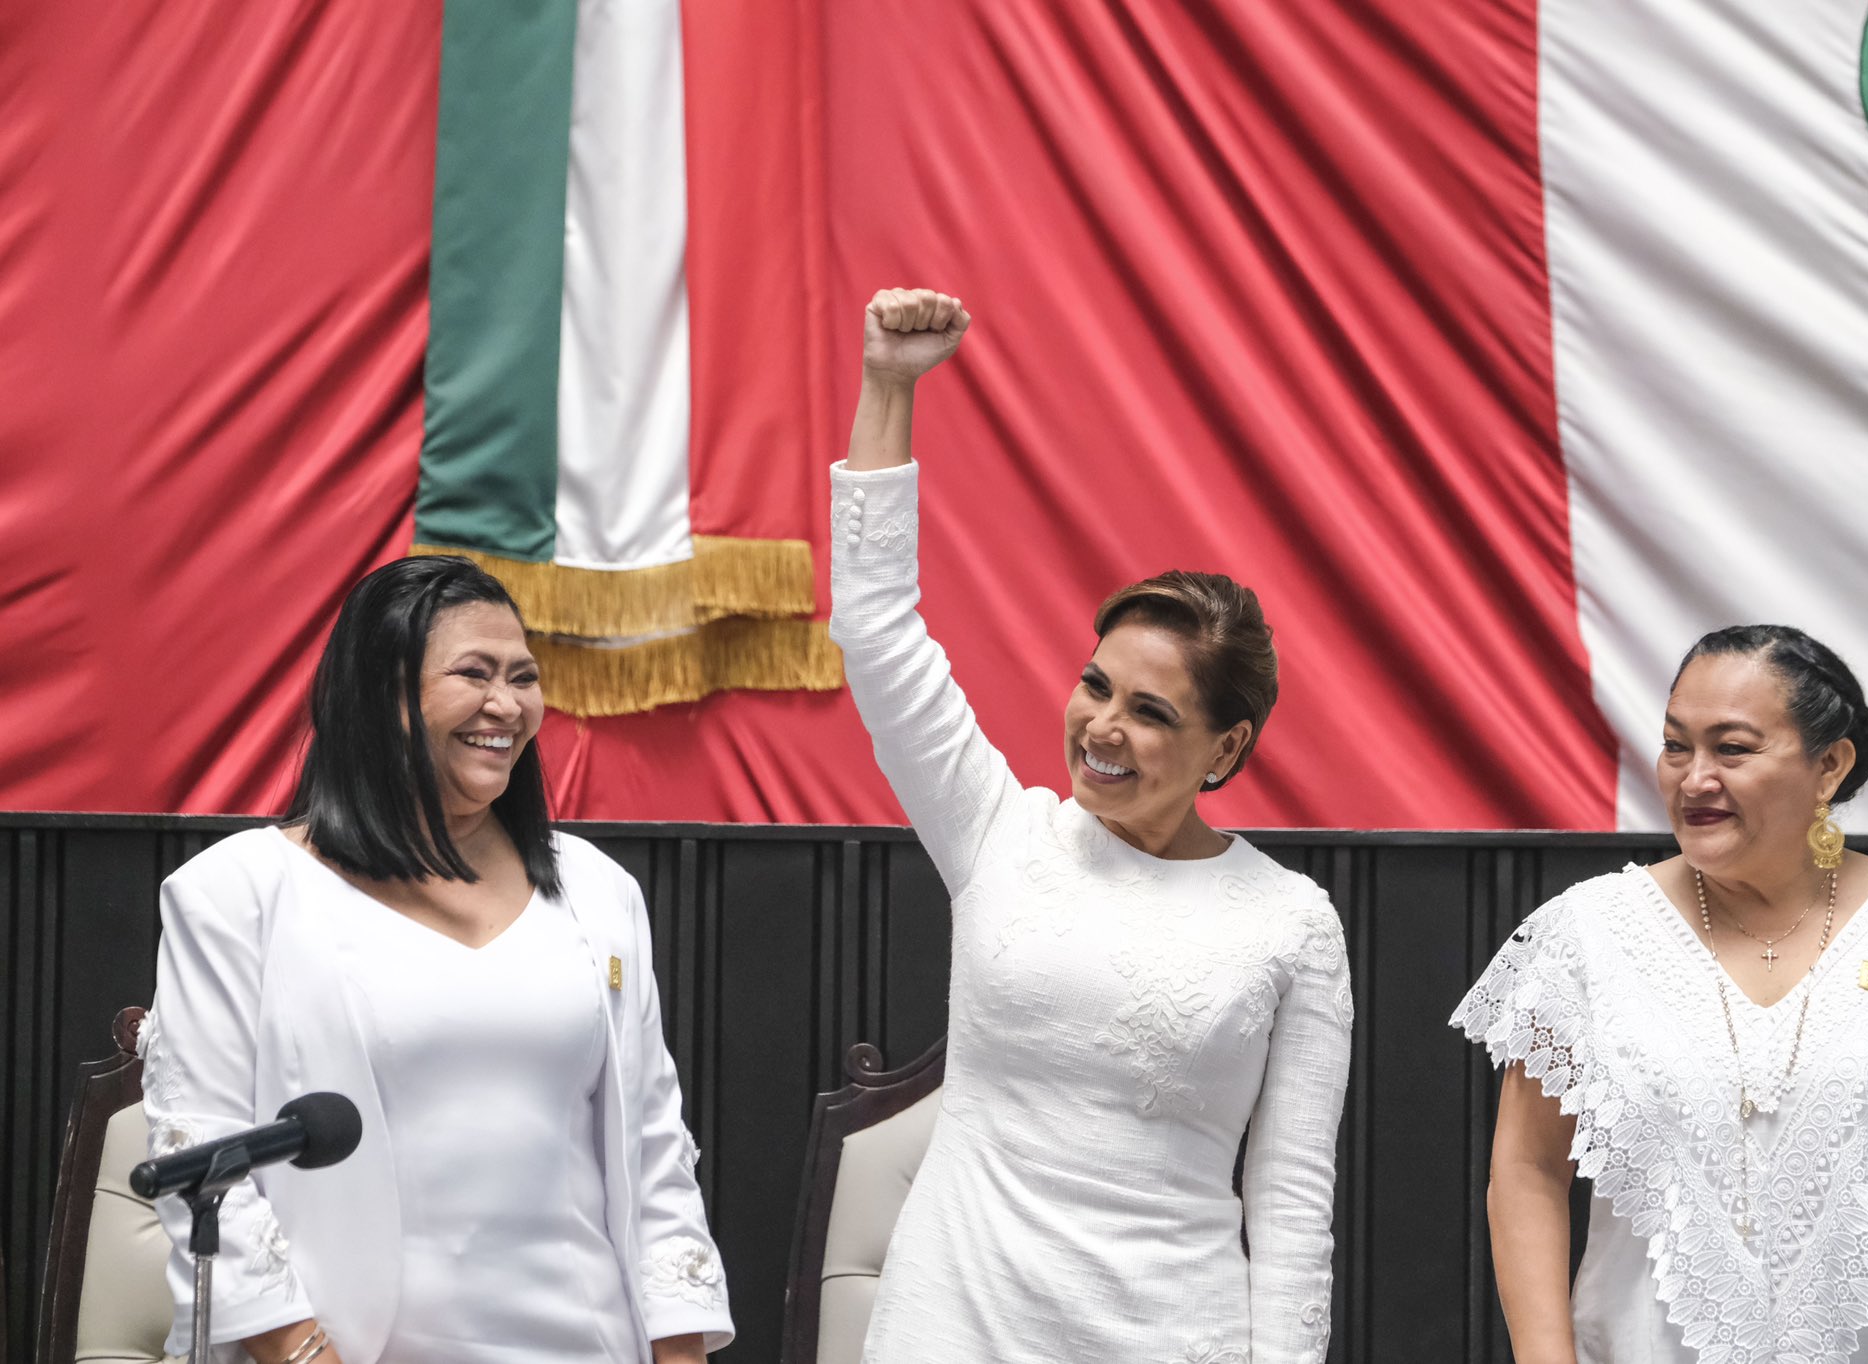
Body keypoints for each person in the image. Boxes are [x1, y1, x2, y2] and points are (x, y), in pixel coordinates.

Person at [831, 287, 1354, 1363]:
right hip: (950, 1330)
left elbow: (1294, 1205)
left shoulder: (1291, 924)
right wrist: (887, 384)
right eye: (1094, 684)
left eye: (1150, 712)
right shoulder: (999, 833)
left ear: (1225, 749)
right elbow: (876, 629)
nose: (1101, 727)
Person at [139, 555, 733, 1364]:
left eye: (523, 677)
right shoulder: (237, 894)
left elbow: (655, 1154)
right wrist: (308, 1354)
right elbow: (201, 1154)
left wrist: (680, 1352)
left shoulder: (599, 890)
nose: (507, 704)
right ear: (382, 697)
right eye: (474, 673)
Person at [1456, 624, 1868, 1363]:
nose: (1694, 777)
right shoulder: (1585, 935)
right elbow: (1526, 1171)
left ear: (1828, 766)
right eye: (1678, 746)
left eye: (1731, 749)